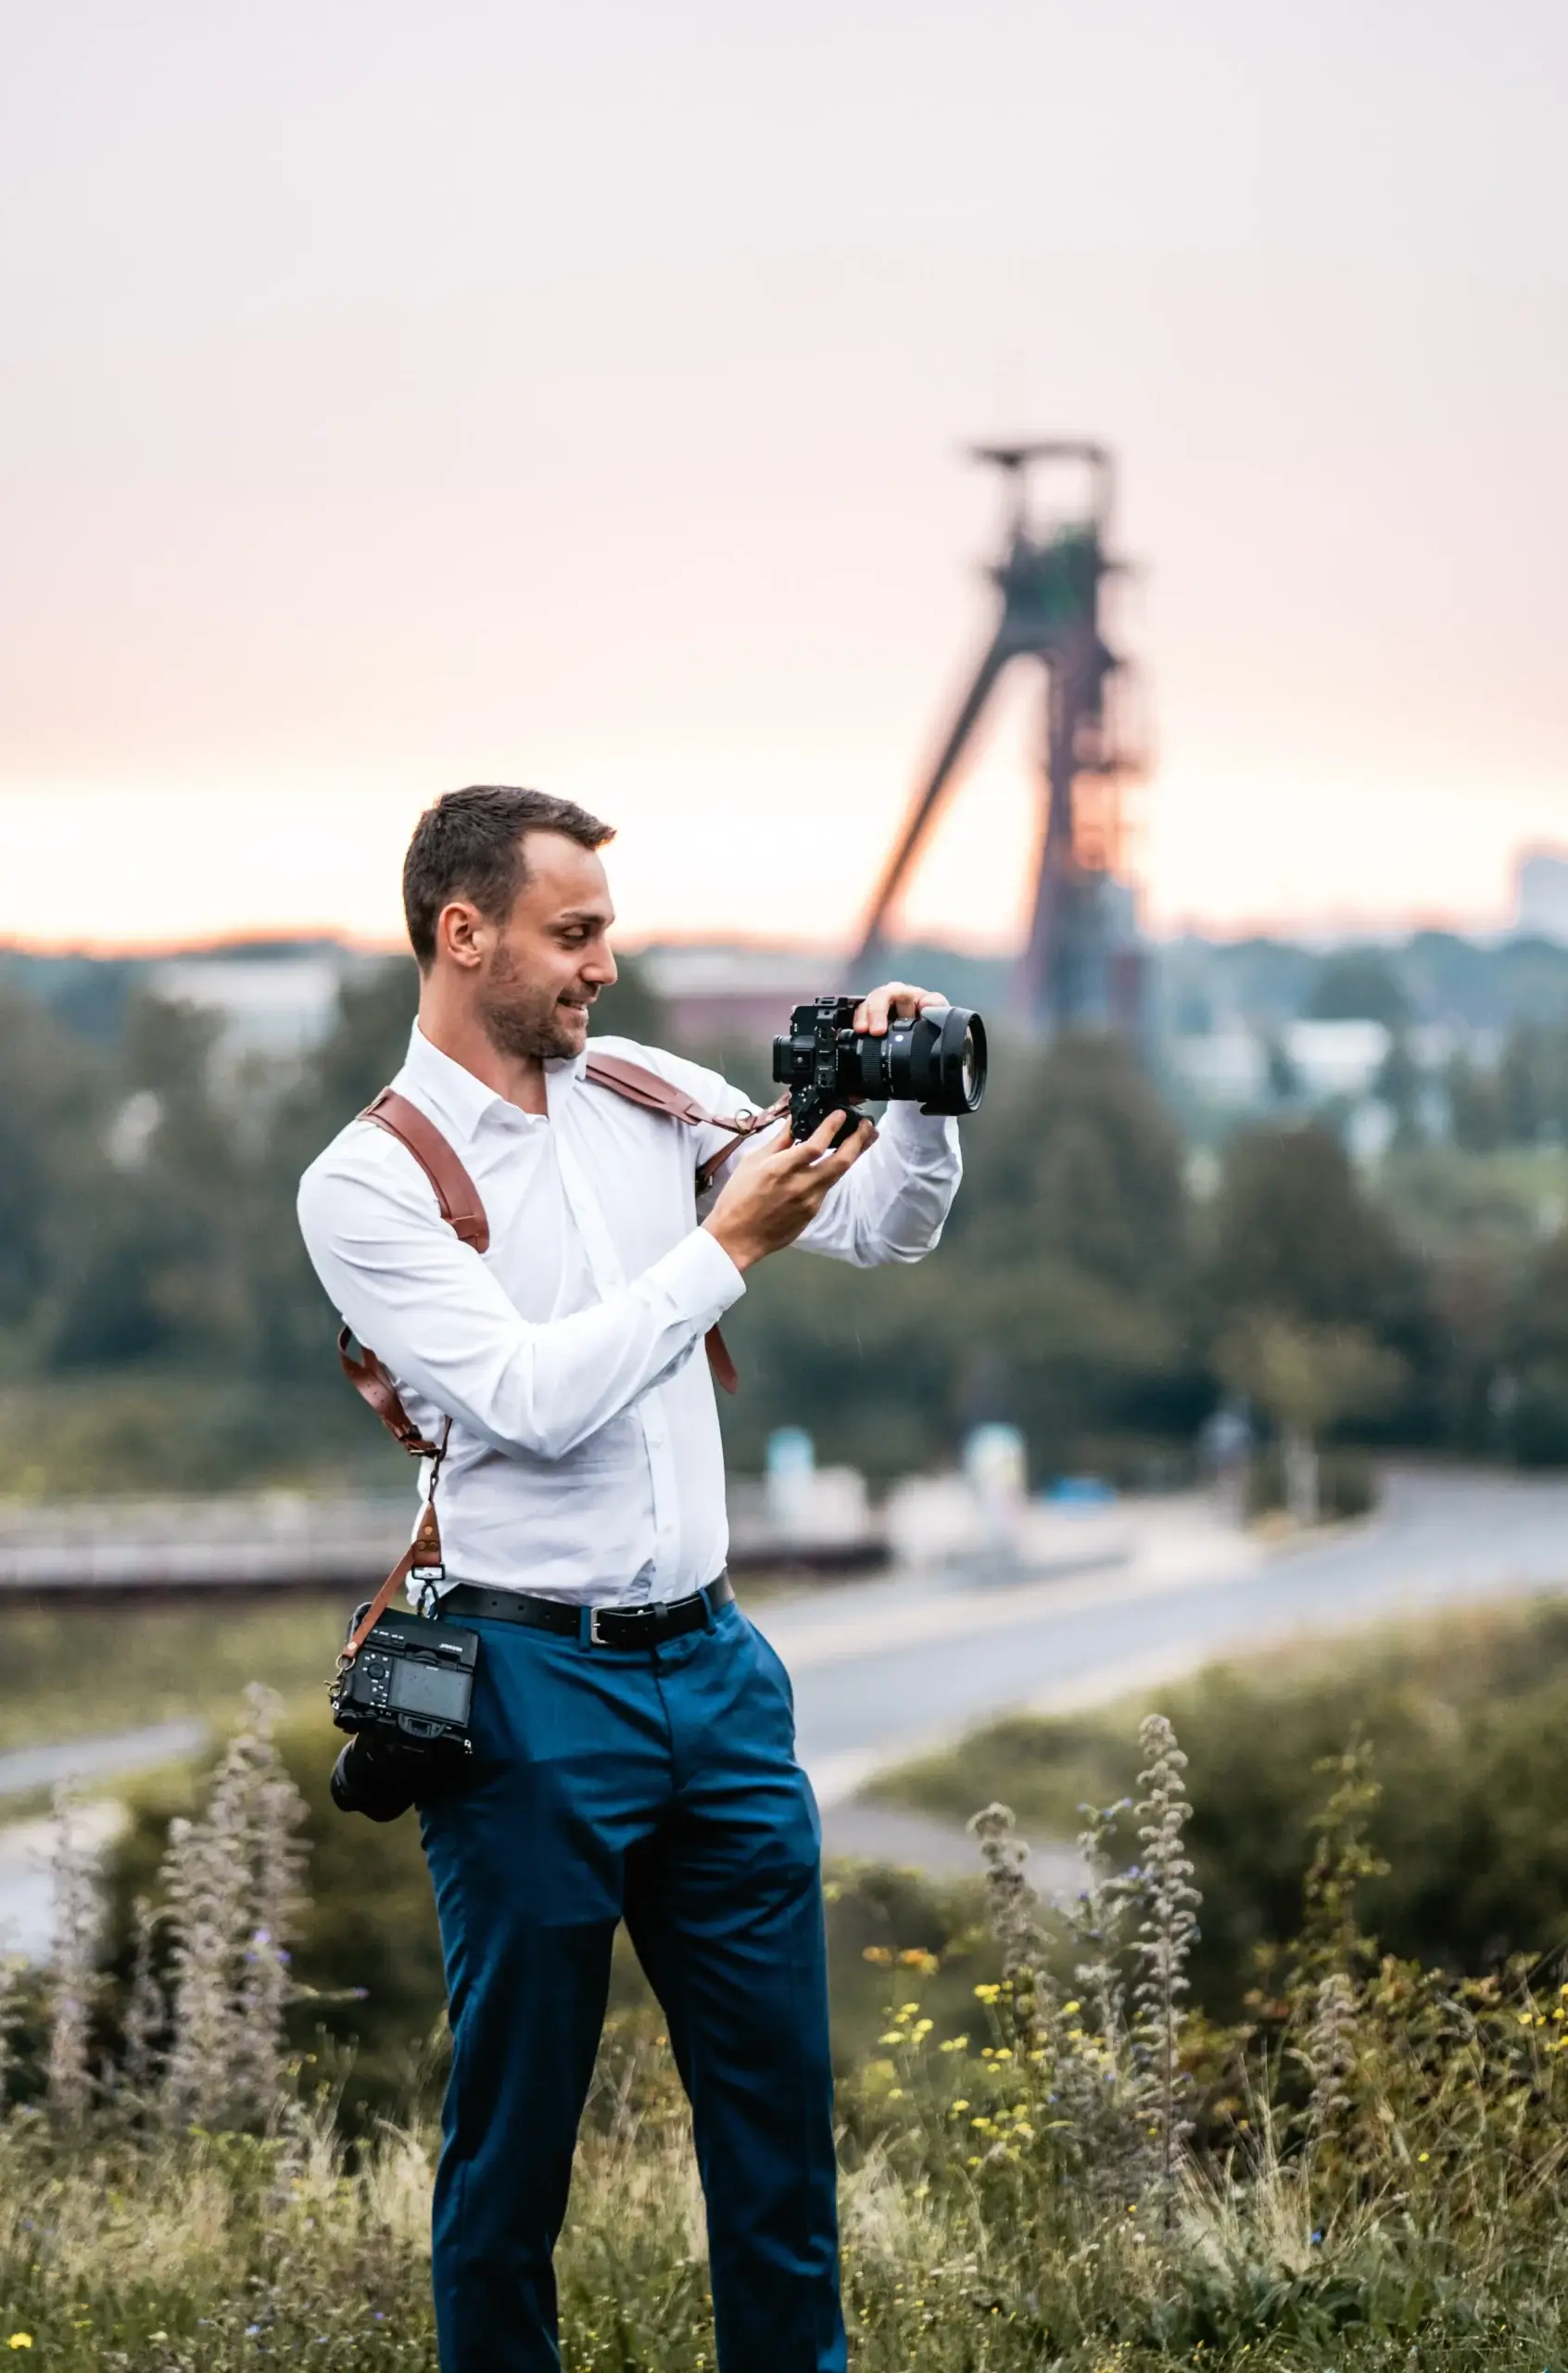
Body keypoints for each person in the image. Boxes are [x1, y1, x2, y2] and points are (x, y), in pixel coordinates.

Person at [297, 783, 963, 2373]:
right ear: (464, 936)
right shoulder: (368, 1182)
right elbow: (529, 1398)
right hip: (529, 1694)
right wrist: (725, 1246)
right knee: (515, 2140)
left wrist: (917, 1095)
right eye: (571, 933)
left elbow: (881, 1229)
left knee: (776, 2126)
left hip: (718, 1675)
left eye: (608, 930)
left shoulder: (647, 1097)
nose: (603, 966)